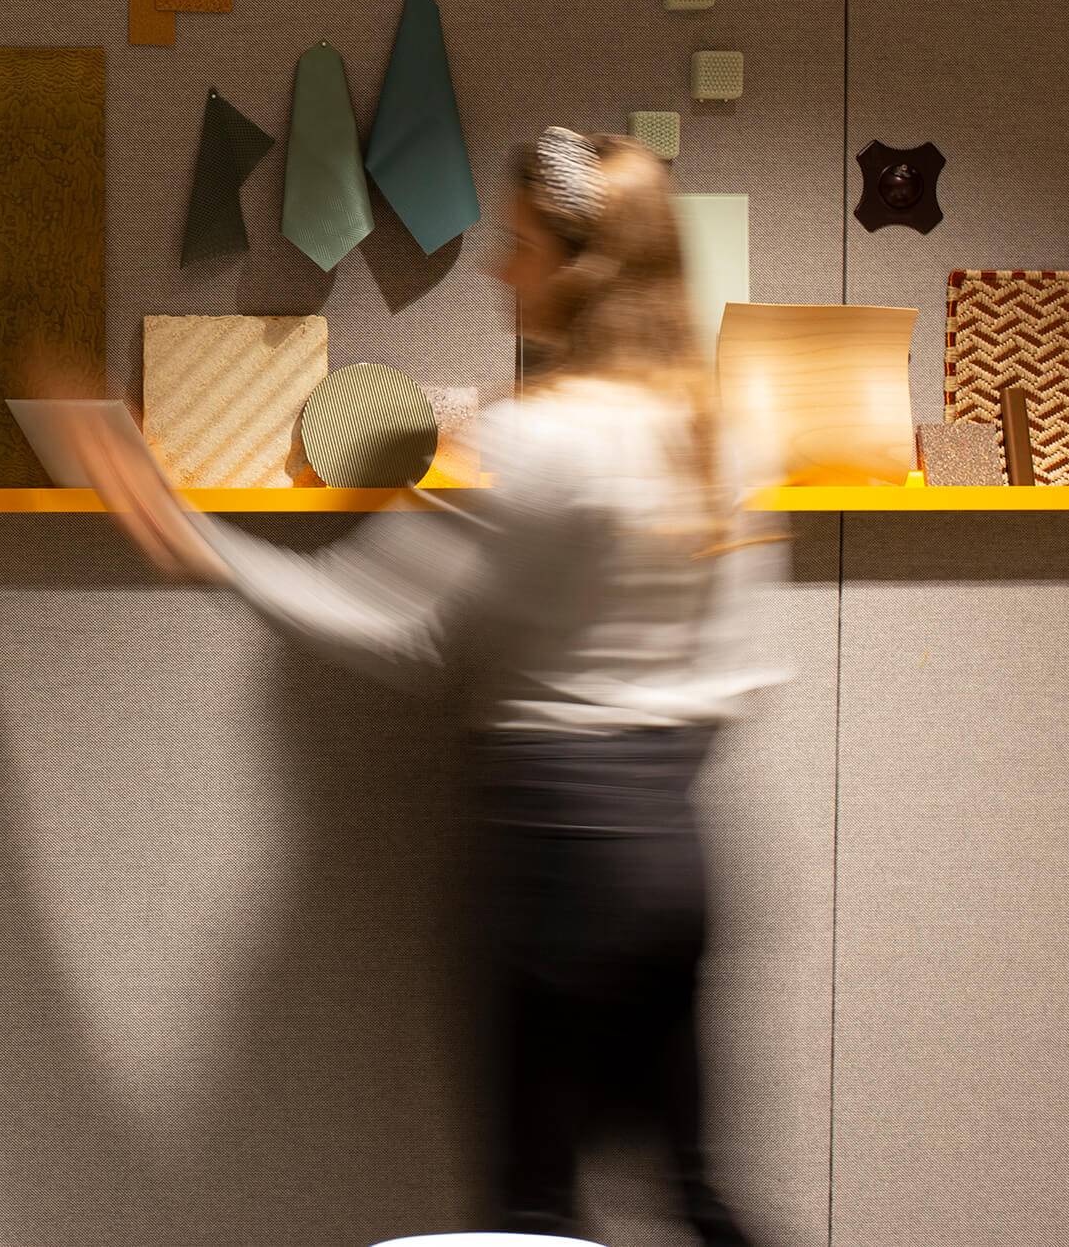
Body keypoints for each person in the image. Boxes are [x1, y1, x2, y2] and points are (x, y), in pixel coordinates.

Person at [65, 129, 784, 1246]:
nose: (500, 269)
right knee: (695, 1193)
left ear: (581, 269)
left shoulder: (534, 441)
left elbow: (396, 630)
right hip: (675, 861)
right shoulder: (728, 434)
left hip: (552, 858)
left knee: (533, 1217)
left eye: (520, 244)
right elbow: (745, 668)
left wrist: (192, 541)